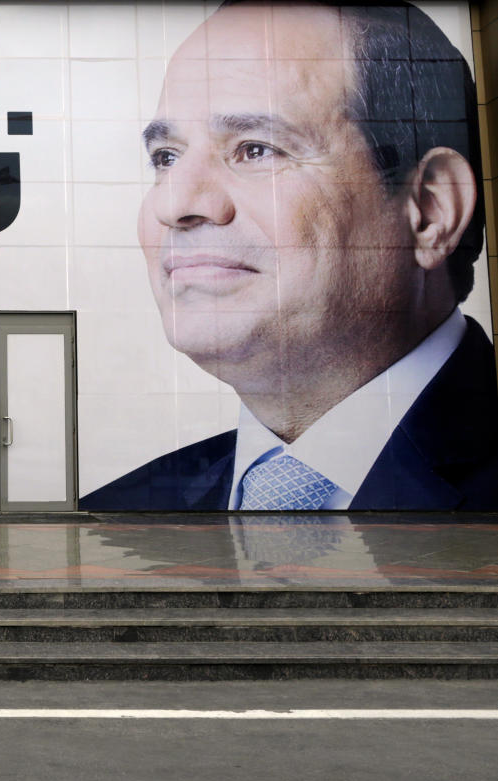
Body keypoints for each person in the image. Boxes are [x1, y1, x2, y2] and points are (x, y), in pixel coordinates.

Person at [81, 0, 498, 511]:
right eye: (166, 158)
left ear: (431, 209)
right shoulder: (115, 518)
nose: (174, 204)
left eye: (255, 149)